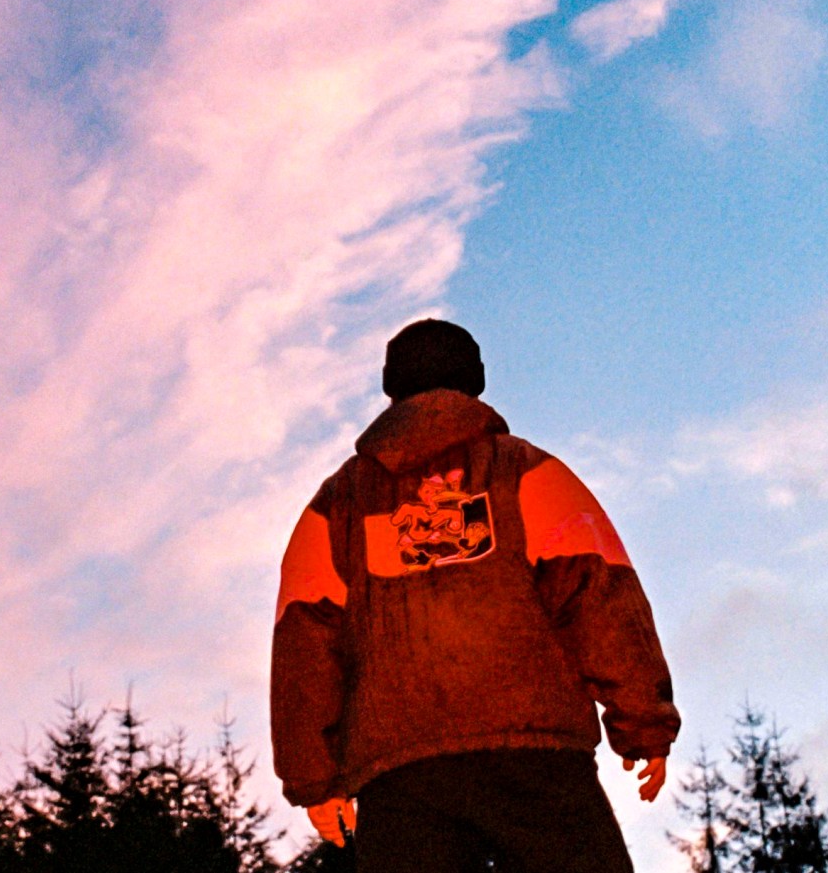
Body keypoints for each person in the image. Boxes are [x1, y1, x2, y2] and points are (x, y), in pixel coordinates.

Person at [270, 319, 678, 872]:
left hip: (400, 777)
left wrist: (314, 778)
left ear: (390, 385)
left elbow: (303, 641)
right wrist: (643, 722)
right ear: (478, 379)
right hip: (536, 756)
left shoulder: (334, 504)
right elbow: (599, 593)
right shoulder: (528, 470)